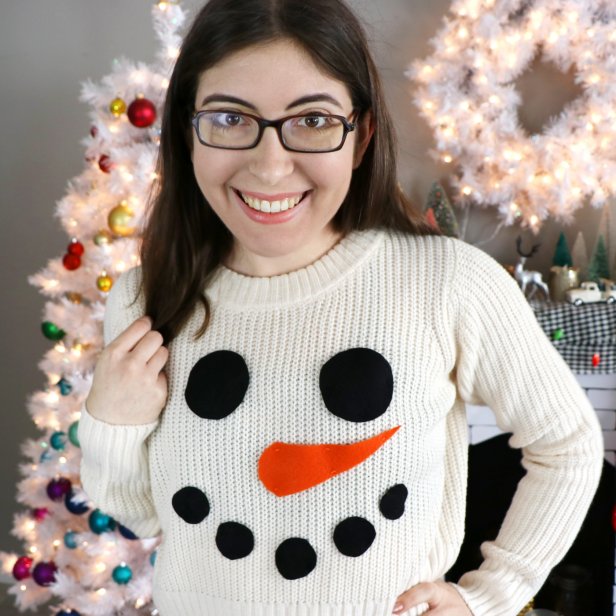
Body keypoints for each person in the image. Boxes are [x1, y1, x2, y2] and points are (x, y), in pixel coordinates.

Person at [78, 0, 604, 614]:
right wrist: (111, 418)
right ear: (187, 132)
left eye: (314, 120)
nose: (271, 166)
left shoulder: (446, 282)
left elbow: (566, 442)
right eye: (228, 118)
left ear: (361, 137)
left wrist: (492, 594)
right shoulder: (147, 299)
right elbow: (140, 515)